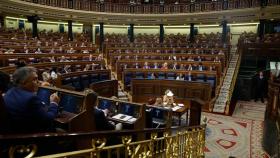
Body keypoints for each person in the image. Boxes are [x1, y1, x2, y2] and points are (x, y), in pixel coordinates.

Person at [3, 66, 60, 133]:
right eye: (34, 79)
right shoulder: (31, 98)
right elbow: (47, 120)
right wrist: (54, 103)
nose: (38, 82)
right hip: (32, 136)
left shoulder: (9, 92)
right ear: (23, 82)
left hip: (15, 131)